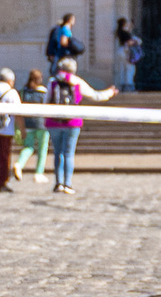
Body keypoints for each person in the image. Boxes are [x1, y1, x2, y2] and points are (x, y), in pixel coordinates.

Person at [45, 57, 114, 194]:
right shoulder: (77, 82)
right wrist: (110, 92)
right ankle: (68, 184)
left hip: (54, 121)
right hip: (72, 122)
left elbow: (46, 101)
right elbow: (96, 96)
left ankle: (58, 183)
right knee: (69, 154)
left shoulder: (52, 81)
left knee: (57, 153)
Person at [17, 70, 52, 182]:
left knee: (28, 146)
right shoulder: (43, 92)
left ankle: (19, 164)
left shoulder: (23, 92)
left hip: (27, 123)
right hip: (41, 124)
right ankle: (38, 173)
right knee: (42, 149)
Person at [115, 17, 142, 94]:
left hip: (121, 51)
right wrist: (136, 41)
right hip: (126, 52)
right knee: (130, 69)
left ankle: (122, 86)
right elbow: (130, 42)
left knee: (122, 69)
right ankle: (129, 86)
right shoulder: (124, 33)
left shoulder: (119, 32)